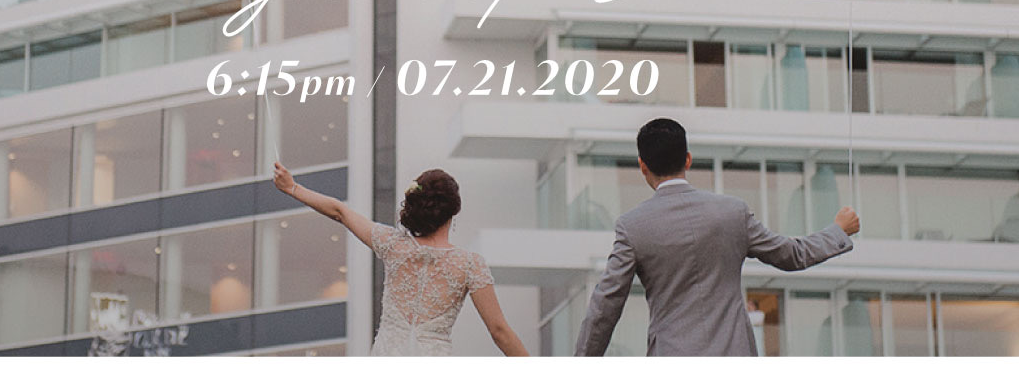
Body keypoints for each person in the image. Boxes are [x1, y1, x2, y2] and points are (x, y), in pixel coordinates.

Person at [575, 118, 860, 356]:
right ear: (687, 159)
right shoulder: (732, 212)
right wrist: (838, 230)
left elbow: (606, 306)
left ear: (642, 165)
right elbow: (792, 255)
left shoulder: (632, 226)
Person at [273, 162, 528, 356]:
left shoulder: (393, 244)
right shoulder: (470, 264)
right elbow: (500, 332)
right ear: (453, 210)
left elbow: (340, 211)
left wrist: (292, 188)